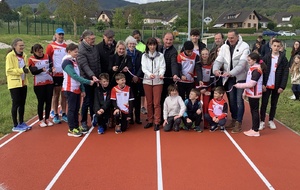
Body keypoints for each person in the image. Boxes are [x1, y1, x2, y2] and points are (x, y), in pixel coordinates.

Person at [213, 29, 250, 133]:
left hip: (241, 78)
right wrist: (215, 69)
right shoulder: (224, 47)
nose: (230, 39)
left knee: (239, 100)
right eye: (229, 38)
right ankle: (234, 119)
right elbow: (219, 60)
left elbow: (242, 64)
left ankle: (239, 122)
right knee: (231, 100)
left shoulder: (245, 47)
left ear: (237, 37)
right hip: (229, 79)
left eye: (232, 38)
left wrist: (231, 73)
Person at [62, 43, 94, 137]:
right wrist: (88, 82)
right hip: (69, 88)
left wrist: (82, 89)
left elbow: (79, 75)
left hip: (76, 88)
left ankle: (76, 126)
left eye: (77, 51)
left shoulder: (74, 61)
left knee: (76, 109)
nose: (77, 53)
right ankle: (71, 129)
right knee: (72, 109)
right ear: (69, 52)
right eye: (75, 52)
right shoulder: (66, 62)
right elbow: (74, 76)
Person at [259, 39, 289, 130]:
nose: (276, 48)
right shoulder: (266, 57)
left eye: (278, 46)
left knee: (274, 104)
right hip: (267, 85)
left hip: (277, 85)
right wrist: (262, 84)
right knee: (264, 103)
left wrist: (282, 86)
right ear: (271, 46)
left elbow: (285, 73)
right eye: (274, 46)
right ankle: (262, 121)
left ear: (280, 47)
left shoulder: (283, 58)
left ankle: (271, 120)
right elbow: (262, 72)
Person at [234, 53, 264, 137]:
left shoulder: (257, 70)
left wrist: (240, 86)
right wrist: (245, 92)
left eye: (249, 60)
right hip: (251, 93)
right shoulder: (253, 68)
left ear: (254, 60)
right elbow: (248, 81)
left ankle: (255, 130)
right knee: (253, 111)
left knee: (254, 111)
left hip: (255, 93)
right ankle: (254, 128)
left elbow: (251, 83)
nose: (248, 62)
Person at [6, 38, 31, 132]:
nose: (22, 47)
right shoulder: (10, 56)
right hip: (14, 83)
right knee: (16, 103)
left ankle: (21, 122)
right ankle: (15, 124)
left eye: (23, 45)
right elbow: (9, 70)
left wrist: (28, 69)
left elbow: (26, 66)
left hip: (23, 82)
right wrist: (21, 71)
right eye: (20, 45)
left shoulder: (24, 55)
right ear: (14, 46)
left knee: (22, 103)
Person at [77, 30, 101, 130]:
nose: (93, 40)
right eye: (92, 39)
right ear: (86, 39)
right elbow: (84, 65)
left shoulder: (94, 48)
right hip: (86, 79)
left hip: (95, 78)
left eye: (94, 39)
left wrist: (99, 76)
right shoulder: (81, 50)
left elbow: (98, 61)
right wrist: (92, 76)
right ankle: (83, 121)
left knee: (94, 100)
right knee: (86, 101)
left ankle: (93, 118)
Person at [142, 37, 166, 131]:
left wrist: (161, 74)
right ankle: (150, 120)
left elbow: (162, 66)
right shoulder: (144, 56)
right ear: (147, 46)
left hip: (158, 82)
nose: (152, 47)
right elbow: (144, 68)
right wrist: (149, 74)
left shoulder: (160, 55)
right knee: (149, 103)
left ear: (156, 45)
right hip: (147, 81)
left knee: (156, 103)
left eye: (154, 45)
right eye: (150, 45)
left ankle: (157, 121)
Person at [28, 44, 54, 127]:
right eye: (38, 52)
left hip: (49, 82)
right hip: (39, 84)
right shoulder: (31, 59)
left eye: (41, 51)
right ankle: (40, 119)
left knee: (49, 101)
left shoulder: (47, 56)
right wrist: (41, 70)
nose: (40, 53)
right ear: (34, 51)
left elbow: (51, 66)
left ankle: (47, 118)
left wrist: (52, 69)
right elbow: (33, 71)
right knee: (41, 101)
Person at [46, 28, 68, 124]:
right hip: (55, 74)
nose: (61, 36)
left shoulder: (66, 46)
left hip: (65, 74)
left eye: (62, 34)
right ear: (55, 35)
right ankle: (55, 113)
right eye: (59, 34)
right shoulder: (51, 46)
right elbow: (47, 59)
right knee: (56, 94)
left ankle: (63, 113)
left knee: (64, 95)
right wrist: (51, 69)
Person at [159, 32, 179, 124]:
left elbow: (173, 63)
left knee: (166, 98)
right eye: (167, 39)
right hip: (157, 78)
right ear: (163, 39)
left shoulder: (173, 51)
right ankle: (158, 117)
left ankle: (167, 118)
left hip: (167, 78)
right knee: (158, 99)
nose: (168, 41)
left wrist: (175, 74)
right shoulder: (158, 48)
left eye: (170, 39)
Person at [125, 36, 144, 124]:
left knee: (137, 98)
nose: (132, 45)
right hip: (128, 80)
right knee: (129, 99)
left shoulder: (139, 53)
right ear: (127, 44)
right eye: (130, 44)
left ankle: (138, 117)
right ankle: (130, 117)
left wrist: (137, 76)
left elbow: (141, 66)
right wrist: (131, 77)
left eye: (133, 44)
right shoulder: (125, 54)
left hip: (138, 79)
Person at [198, 48, 214, 129]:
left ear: (209, 55)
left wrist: (206, 88)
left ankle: (206, 123)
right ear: (201, 55)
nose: (204, 56)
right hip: (198, 86)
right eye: (203, 54)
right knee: (196, 103)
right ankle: (196, 122)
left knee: (206, 104)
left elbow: (212, 78)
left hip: (208, 86)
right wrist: (200, 87)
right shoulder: (198, 64)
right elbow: (196, 75)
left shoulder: (212, 64)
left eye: (206, 54)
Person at [132, 30, 147, 115]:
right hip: (132, 71)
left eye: (138, 37)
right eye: (135, 38)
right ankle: (133, 106)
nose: (137, 39)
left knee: (141, 91)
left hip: (140, 71)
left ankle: (142, 106)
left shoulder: (143, 46)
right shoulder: (131, 45)